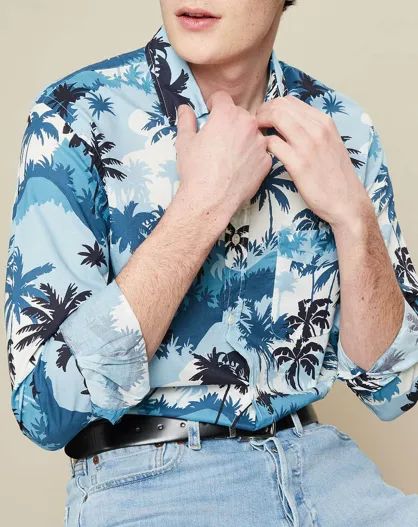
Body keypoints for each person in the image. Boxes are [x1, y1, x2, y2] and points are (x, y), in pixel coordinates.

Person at [4, 0, 418, 525]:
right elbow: (44, 410)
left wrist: (354, 217)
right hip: (152, 485)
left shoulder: (340, 126)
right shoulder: (75, 114)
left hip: (325, 471)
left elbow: (393, 388)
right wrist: (203, 204)